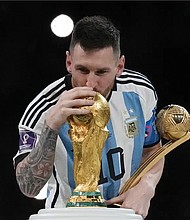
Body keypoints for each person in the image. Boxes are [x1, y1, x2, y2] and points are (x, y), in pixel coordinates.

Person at [13, 15, 165, 219]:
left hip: (123, 215)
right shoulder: (42, 110)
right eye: (82, 70)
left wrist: (147, 185)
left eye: (101, 72)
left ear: (120, 66)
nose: (90, 84)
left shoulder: (140, 92)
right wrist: (51, 126)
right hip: (65, 216)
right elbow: (28, 187)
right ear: (68, 62)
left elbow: (153, 149)